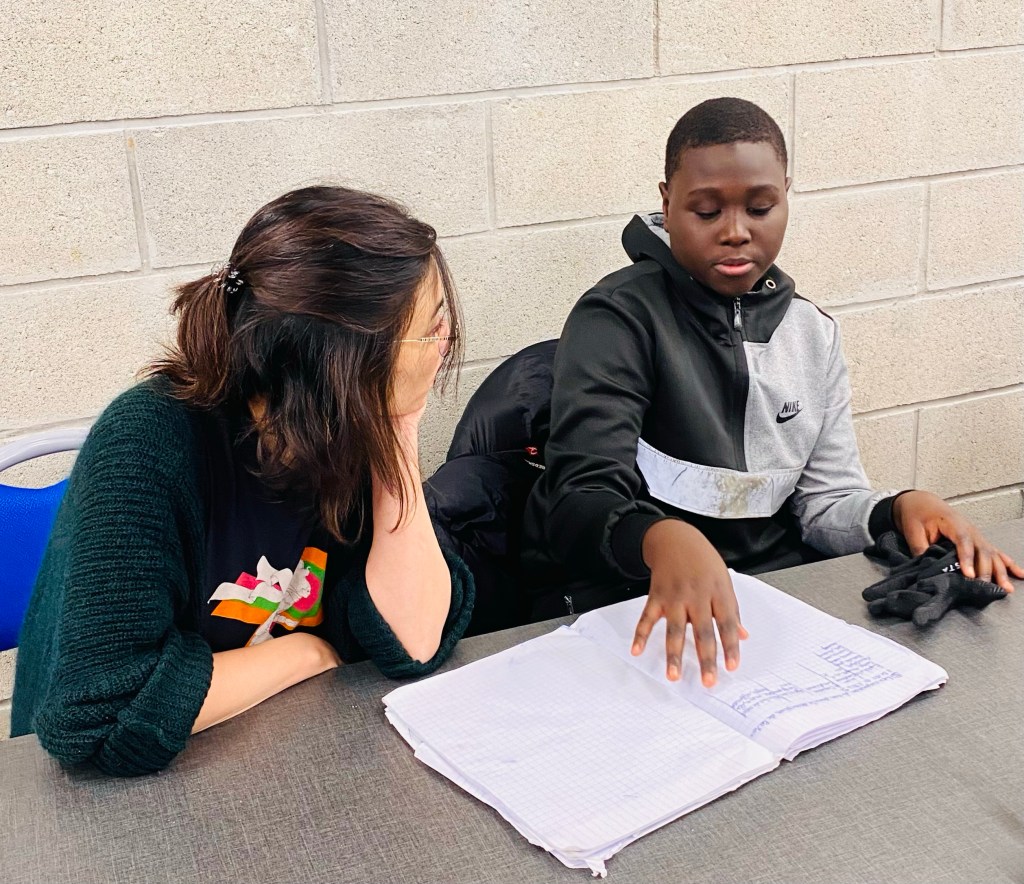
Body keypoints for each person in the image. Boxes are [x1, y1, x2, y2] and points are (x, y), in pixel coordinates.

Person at [521, 97, 1021, 687]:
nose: (736, 232)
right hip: (634, 605)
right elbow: (579, 496)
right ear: (667, 203)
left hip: (773, 607)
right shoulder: (618, 319)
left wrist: (897, 508)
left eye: (760, 208)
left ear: (786, 194)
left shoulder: (812, 333)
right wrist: (657, 538)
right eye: (706, 211)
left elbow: (824, 505)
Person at [11, 186, 475, 776]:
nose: (444, 345)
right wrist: (307, 651)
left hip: (282, 741)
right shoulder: (147, 442)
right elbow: (103, 712)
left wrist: (399, 432)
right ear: (343, 362)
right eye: (430, 330)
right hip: (121, 788)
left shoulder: (341, 429)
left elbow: (414, 639)